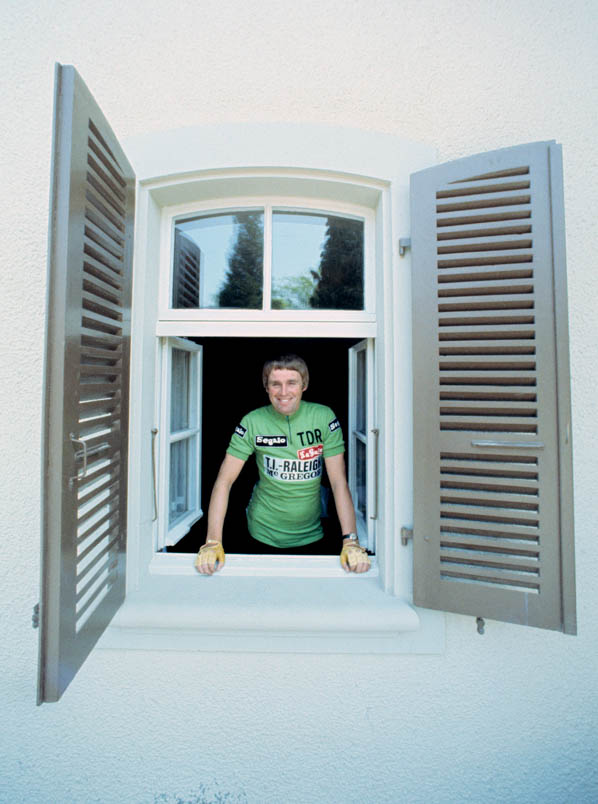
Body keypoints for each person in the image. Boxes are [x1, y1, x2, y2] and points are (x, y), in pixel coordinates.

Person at [195, 354, 371, 575]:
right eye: (275, 384)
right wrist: (212, 541)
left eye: (291, 383)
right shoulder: (252, 421)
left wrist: (351, 540)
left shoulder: (324, 417)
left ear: (304, 385)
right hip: (261, 532)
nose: (283, 392)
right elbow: (224, 481)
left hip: (312, 533)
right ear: (266, 387)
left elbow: (338, 482)